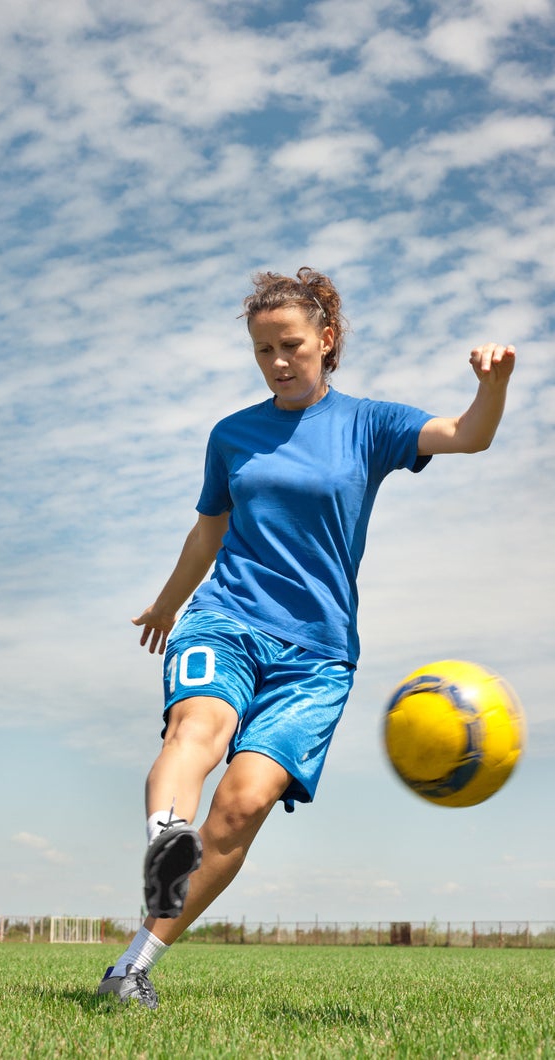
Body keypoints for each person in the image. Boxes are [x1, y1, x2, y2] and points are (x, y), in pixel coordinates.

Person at [97, 267, 516, 1010]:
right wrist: (167, 605)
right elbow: (208, 531)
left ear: (326, 341)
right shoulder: (232, 435)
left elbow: (468, 436)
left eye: (290, 345)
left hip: (319, 655)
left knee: (246, 801)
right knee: (201, 723)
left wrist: (493, 385)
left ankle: (133, 966)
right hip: (228, 617)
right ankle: (168, 837)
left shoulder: (370, 424)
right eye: (263, 351)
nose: (278, 362)